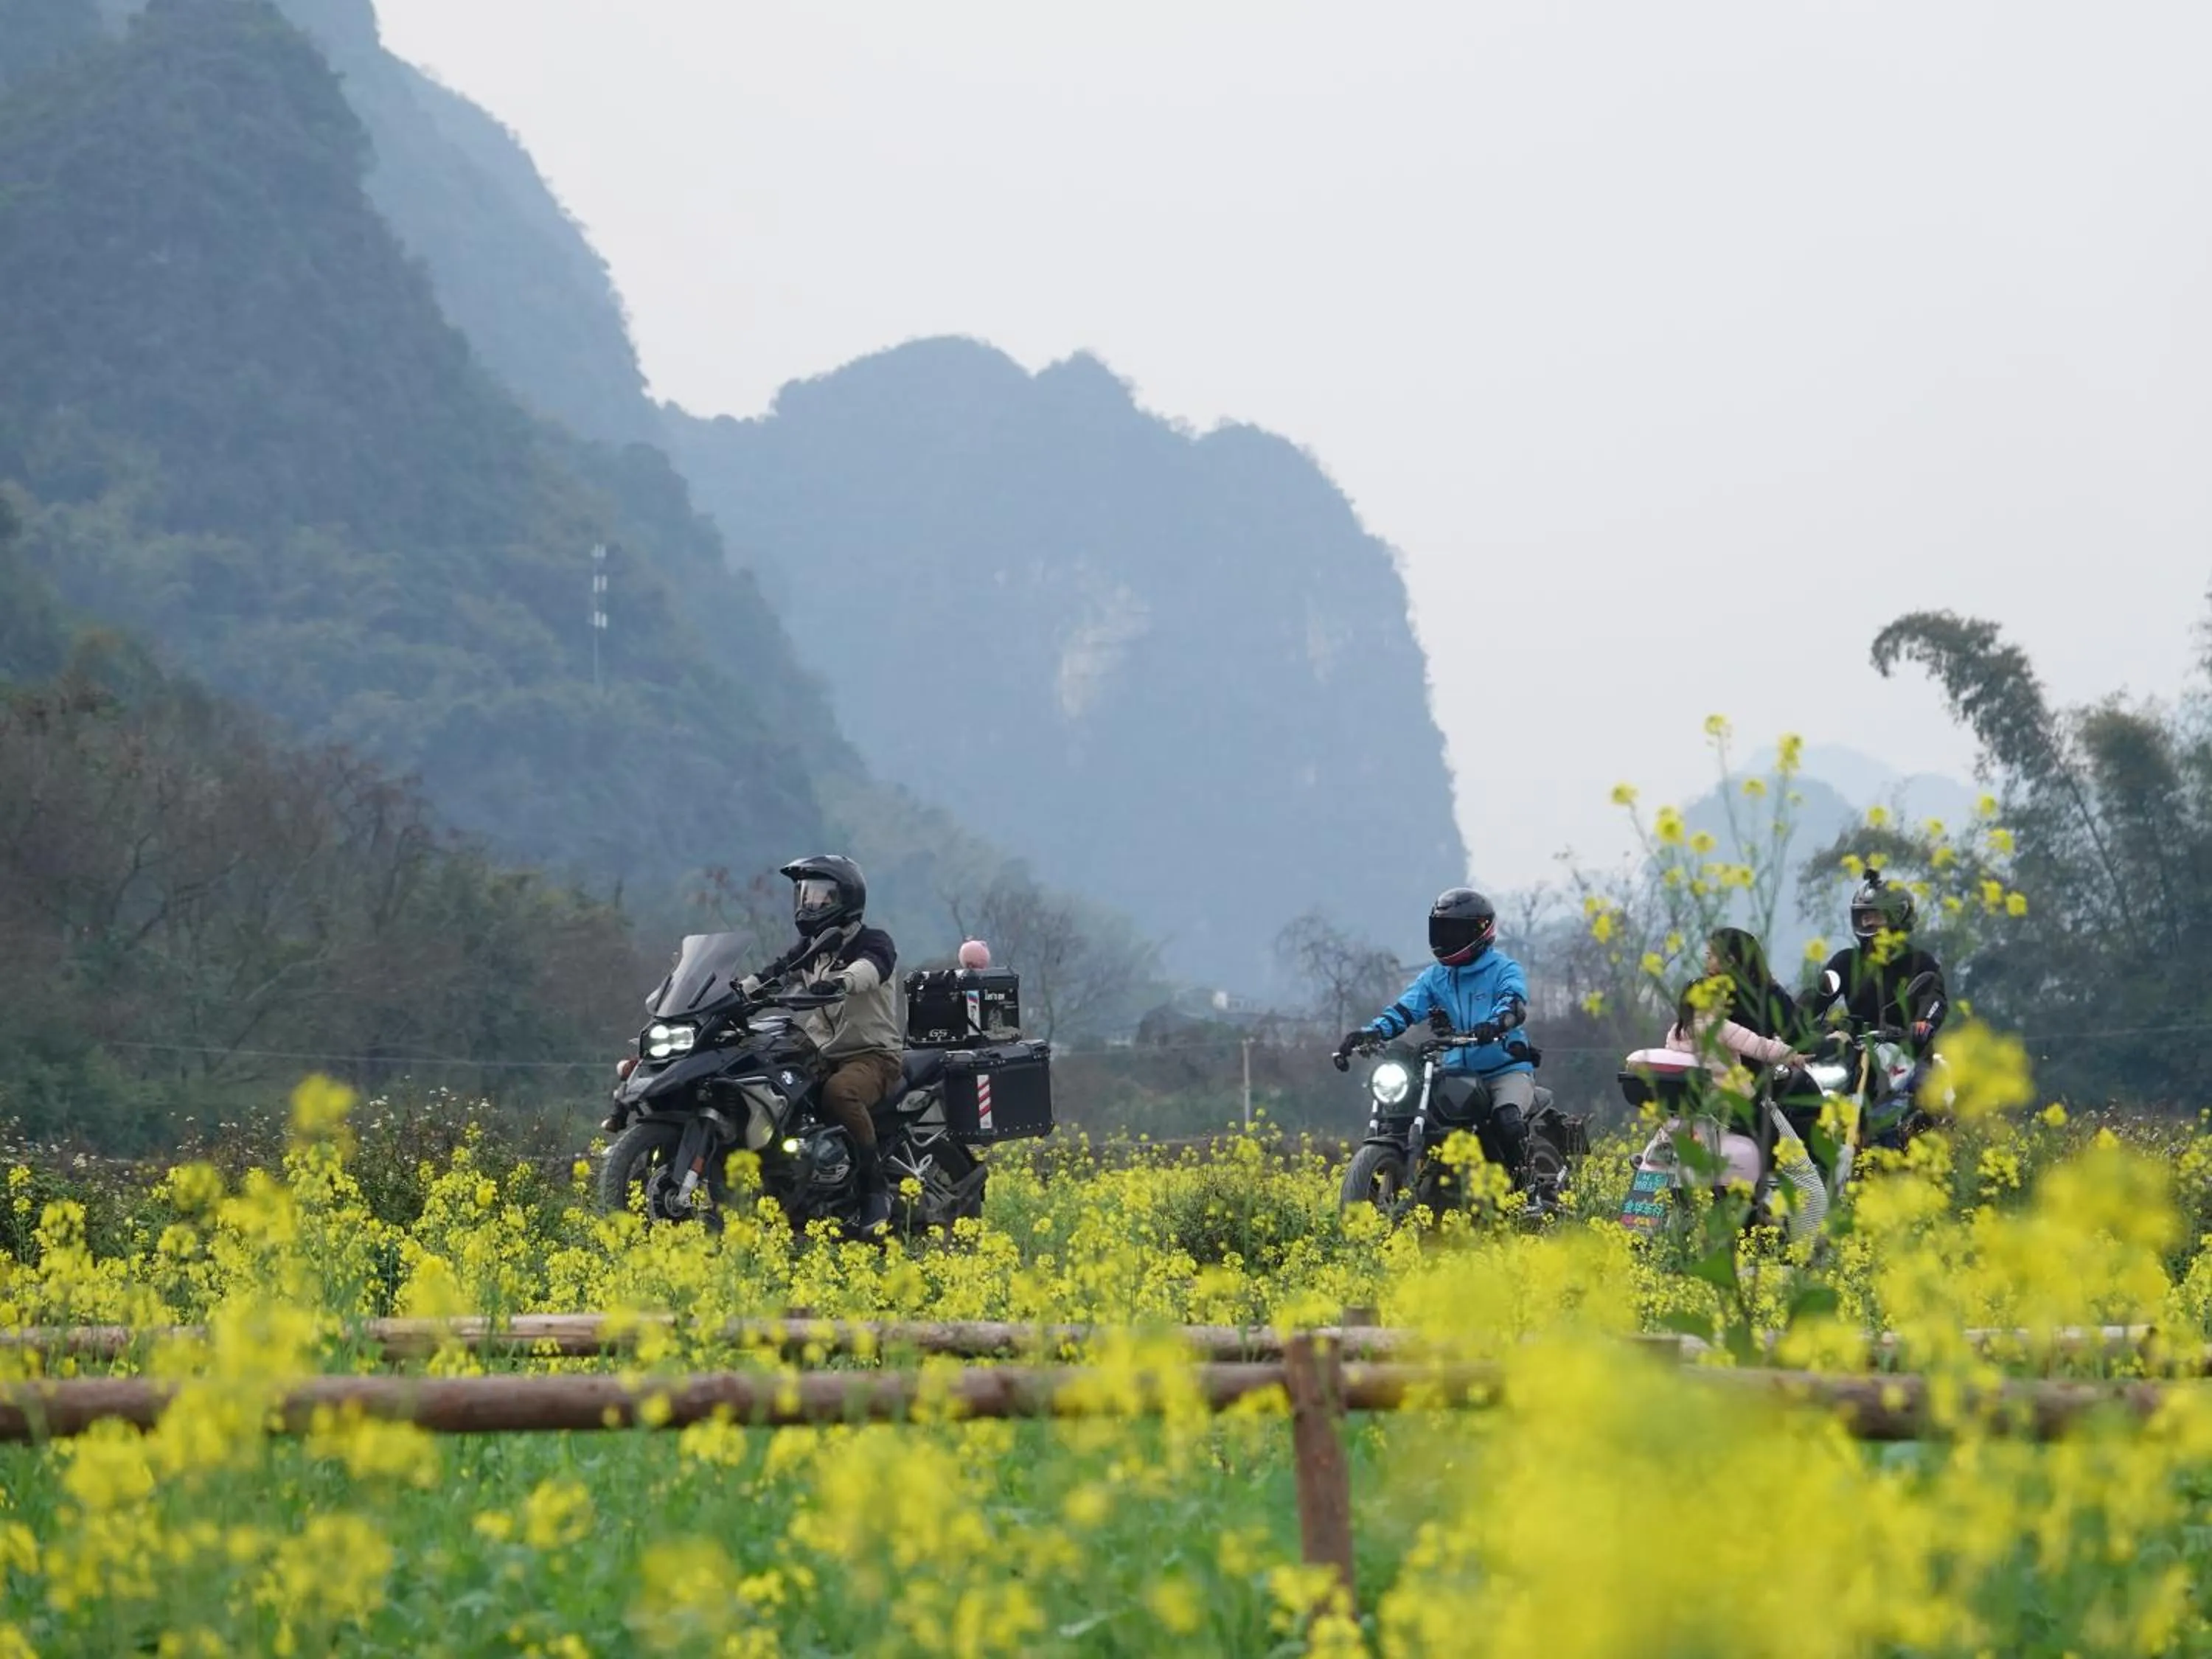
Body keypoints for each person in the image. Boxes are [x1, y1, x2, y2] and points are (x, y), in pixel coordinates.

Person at [1335, 888, 1539, 1190]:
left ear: (1480, 931)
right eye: (1441, 929)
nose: (1446, 937)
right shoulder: (1435, 977)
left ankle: (1529, 1192)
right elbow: (1404, 1011)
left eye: (1455, 930)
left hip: (1504, 1070)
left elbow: (1513, 1001)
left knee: (1506, 1117)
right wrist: (1370, 1033)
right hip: (1457, 1071)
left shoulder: (1504, 969)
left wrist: (1496, 1023)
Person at [748, 855, 903, 1233]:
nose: (811, 903)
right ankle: (793, 1192)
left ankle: (874, 1189)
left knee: (839, 1093)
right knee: (773, 1087)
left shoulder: (873, 941)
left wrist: (841, 981)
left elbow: (873, 968)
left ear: (846, 898)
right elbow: (774, 974)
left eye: (821, 896)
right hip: (823, 1053)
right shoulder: (812, 947)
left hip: (873, 1056)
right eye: (806, 895)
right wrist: (737, 992)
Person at [1801, 869, 1950, 1147]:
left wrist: (1923, 1023)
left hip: (1906, 1050)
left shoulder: (1920, 962)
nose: (1867, 920)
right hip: (1856, 1051)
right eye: (1863, 914)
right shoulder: (1846, 962)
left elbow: (1933, 997)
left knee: (1929, 1095)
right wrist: (1792, 1021)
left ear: (1898, 916)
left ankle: (1933, 1157)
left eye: (1876, 914)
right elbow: (1818, 995)